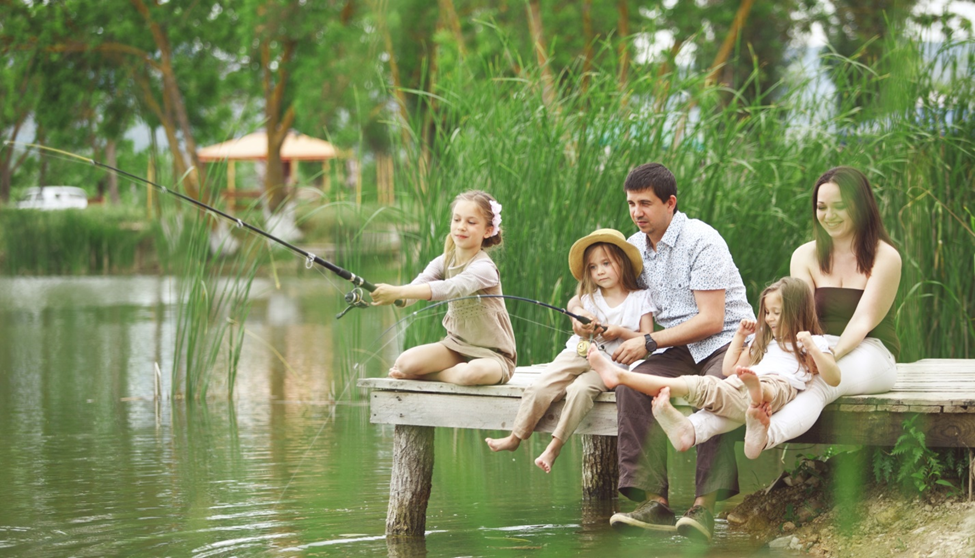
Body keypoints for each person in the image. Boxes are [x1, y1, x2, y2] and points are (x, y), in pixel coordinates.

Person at [687, 166, 901, 454]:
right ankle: (692, 428)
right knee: (758, 380)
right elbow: (798, 318)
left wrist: (822, 358)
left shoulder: (885, 256)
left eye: (840, 206)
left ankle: (766, 434)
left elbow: (862, 322)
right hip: (814, 346)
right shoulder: (805, 255)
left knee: (818, 382)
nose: (829, 215)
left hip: (869, 350)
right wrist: (791, 353)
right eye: (822, 207)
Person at [602, 163, 755, 543]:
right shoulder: (633, 247)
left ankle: (703, 507)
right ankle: (655, 502)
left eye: (646, 204)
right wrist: (599, 323)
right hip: (676, 347)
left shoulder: (702, 240)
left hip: (726, 341)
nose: (637, 213)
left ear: (670, 203)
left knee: (718, 387)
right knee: (631, 387)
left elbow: (712, 319)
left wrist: (649, 342)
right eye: (631, 204)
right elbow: (619, 299)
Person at [589, 277, 840, 463]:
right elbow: (731, 368)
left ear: (797, 312)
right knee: (712, 385)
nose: (771, 319)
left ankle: (622, 376)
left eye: (777, 313)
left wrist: (812, 347)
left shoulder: (812, 342)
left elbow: (833, 377)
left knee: (741, 387)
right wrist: (740, 336)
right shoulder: (763, 340)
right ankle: (696, 428)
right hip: (744, 384)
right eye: (767, 313)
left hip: (779, 386)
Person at [485, 229, 656, 473]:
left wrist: (619, 332)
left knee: (580, 390)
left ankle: (554, 447)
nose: (600, 271)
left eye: (606, 263)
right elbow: (575, 309)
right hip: (578, 352)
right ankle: (515, 437)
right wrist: (585, 323)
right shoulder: (587, 299)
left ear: (622, 262)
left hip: (610, 364)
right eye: (593, 267)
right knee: (540, 386)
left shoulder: (640, 298)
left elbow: (647, 338)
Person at [370, 190, 517, 386]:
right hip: (456, 347)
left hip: (494, 356)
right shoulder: (444, 261)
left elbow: (450, 288)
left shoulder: (485, 268)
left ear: (488, 231)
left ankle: (434, 376)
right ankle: (453, 371)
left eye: (471, 222)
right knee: (404, 363)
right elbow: (420, 284)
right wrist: (396, 296)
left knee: (470, 375)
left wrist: (398, 291)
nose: (461, 227)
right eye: (457, 220)